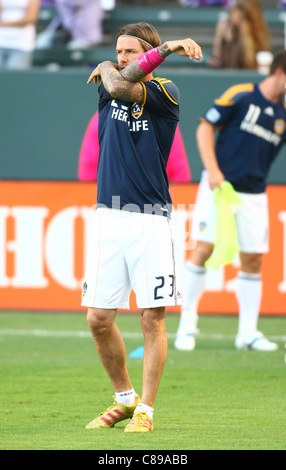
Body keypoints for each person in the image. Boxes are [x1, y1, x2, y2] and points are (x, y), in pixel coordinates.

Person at [81, 22, 202, 433]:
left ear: (148, 53)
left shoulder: (166, 92)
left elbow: (124, 85)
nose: (121, 58)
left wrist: (161, 51)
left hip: (151, 218)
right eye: (117, 51)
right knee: (98, 318)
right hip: (107, 216)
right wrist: (110, 61)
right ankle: (124, 398)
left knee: (152, 316)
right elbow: (115, 85)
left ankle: (146, 409)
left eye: (131, 51)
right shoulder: (107, 83)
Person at [175, 50, 286, 352]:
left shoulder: (283, 113)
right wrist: (212, 169)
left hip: (254, 193)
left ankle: (247, 333)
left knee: (253, 258)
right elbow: (204, 126)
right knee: (204, 248)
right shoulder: (242, 94)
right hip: (219, 187)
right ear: (279, 72)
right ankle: (186, 326)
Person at [77, 111, 192, 183]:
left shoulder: (163, 118)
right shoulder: (103, 117)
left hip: (155, 200)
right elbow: (90, 165)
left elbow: (178, 165)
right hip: (112, 199)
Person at [207, 0, 271, 69]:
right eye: (233, 13)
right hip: (225, 73)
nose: (234, 18)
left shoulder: (256, 33)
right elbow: (217, 54)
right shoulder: (225, 26)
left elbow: (252, 63)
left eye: (239, 15)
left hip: (247, 74)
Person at [0, 0, 40, 69]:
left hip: (21, 44)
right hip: (2, 40)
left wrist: (4, 24)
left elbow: (31, 18)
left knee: (15, 78)